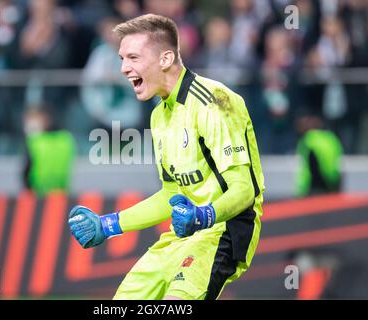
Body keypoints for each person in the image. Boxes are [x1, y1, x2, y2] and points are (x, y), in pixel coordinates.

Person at [68, 14, 264, 300]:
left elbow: (245, 190)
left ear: (165, 59)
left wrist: (203, 215)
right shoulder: (160, 115)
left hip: (224, 231)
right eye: (122, 59)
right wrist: (107, 224)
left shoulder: (214, 101)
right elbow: (171, 194)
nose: (123, 68)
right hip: (183, 234)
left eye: (133, 57)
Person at [23, 106, 76, 196]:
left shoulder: (35, 142)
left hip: (38, 196)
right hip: (62, 196)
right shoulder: (66, 139)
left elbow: (26, 173)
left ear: (45, 119)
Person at [295, 113, 343, 197]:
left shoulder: (308, 140)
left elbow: (304, 168)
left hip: (313, 188)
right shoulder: (332, 138)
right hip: (332, 186)